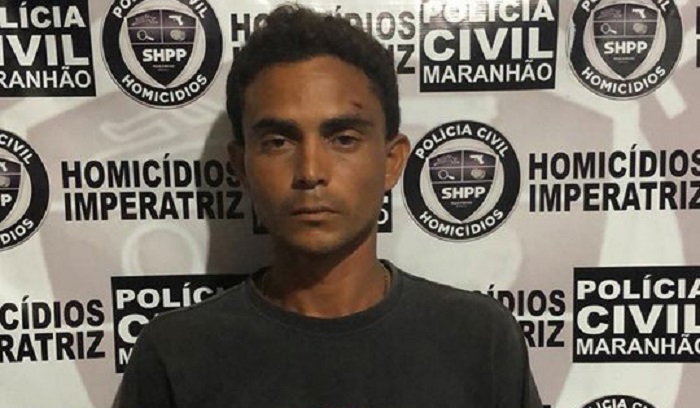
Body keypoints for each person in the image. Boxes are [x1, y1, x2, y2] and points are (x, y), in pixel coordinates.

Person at [114, 4, 543, 408]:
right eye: (278, 142)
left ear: (391, 161)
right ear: (241, 167)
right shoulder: (176, 354)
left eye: (343, 139)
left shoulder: (479, 340)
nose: (310, 171)